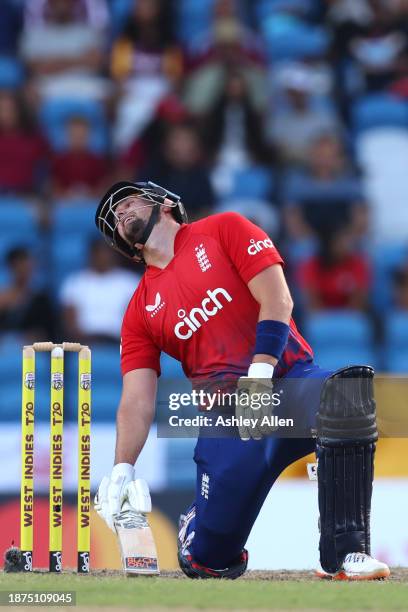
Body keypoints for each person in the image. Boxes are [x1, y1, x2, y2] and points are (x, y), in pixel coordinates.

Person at [93, 180, 389, 580]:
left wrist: (260, 375)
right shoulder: (140, 310)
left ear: (163, 204)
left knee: (347, 397)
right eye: (114, 217)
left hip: (286, 382)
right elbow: (137, 399)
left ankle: (345, 554)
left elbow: (277, 298)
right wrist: (122, 469)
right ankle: (199, 527)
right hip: (228, 420)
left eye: (127, 202)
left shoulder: (224, 228)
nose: (121, 213)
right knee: (209, 560)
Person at [59, 239, 139, 344]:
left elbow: (136, 321)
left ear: (114, 254)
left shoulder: (130, 282)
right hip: (85, 342)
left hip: (118, 342)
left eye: (106, 253)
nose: (103, 257)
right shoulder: (74, 282)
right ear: (91, 255)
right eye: (98, 253)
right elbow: (70, 322)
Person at [0, 247, 55, 341]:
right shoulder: (2, 298)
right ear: (11, 267)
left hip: (33, 349)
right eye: (19, 266)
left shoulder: (41, 299)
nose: (24, 271)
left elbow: (48, 332)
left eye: (27, 266)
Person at [51, 115, 111, 199]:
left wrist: (90, 194)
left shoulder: (96, 162)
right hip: (65, 203)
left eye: (81, 137)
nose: (78, 140)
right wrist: (66, 194)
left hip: (91, 203)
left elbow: (103, 187)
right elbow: (54, 186)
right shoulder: (59, 161)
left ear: (89, 137)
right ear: (67, 137)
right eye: (74, 136)